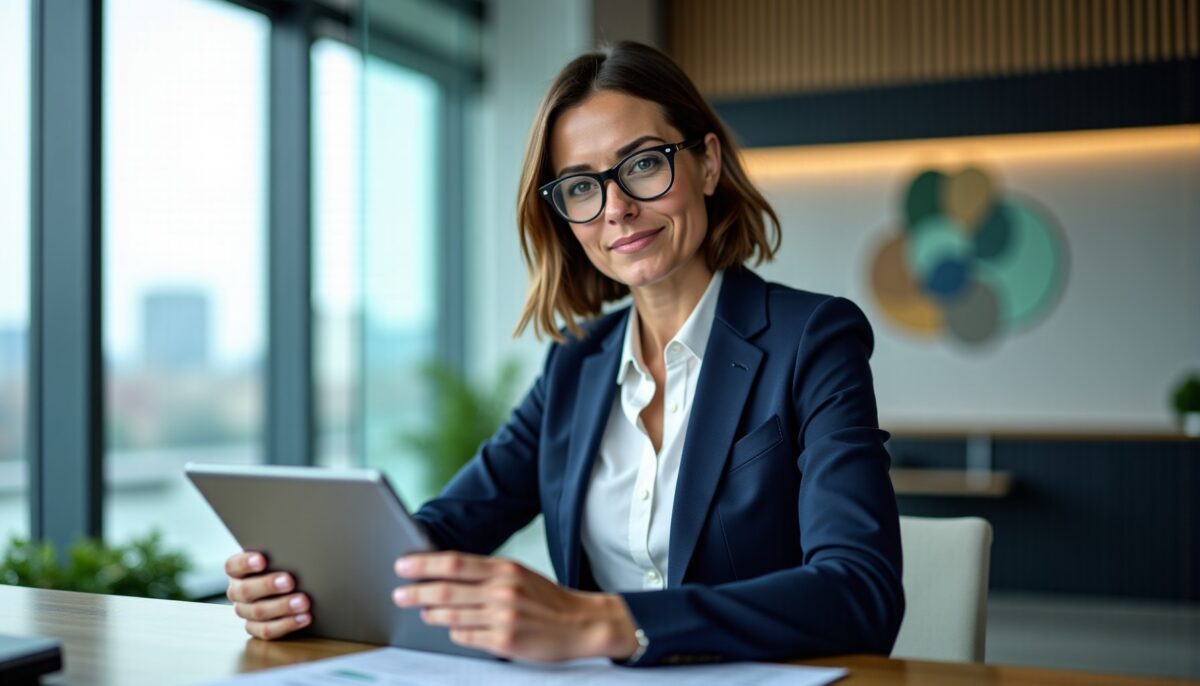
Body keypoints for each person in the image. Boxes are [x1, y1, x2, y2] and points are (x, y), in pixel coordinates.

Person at [223, 40, 904, 666]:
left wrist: (603, 622)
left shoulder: (812, 338)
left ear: (706, 163)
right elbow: (447, 528)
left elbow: (859, 593)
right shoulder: (576, 364)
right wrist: (306, 584)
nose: (615, 209)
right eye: (581, 186)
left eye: (642, 164)